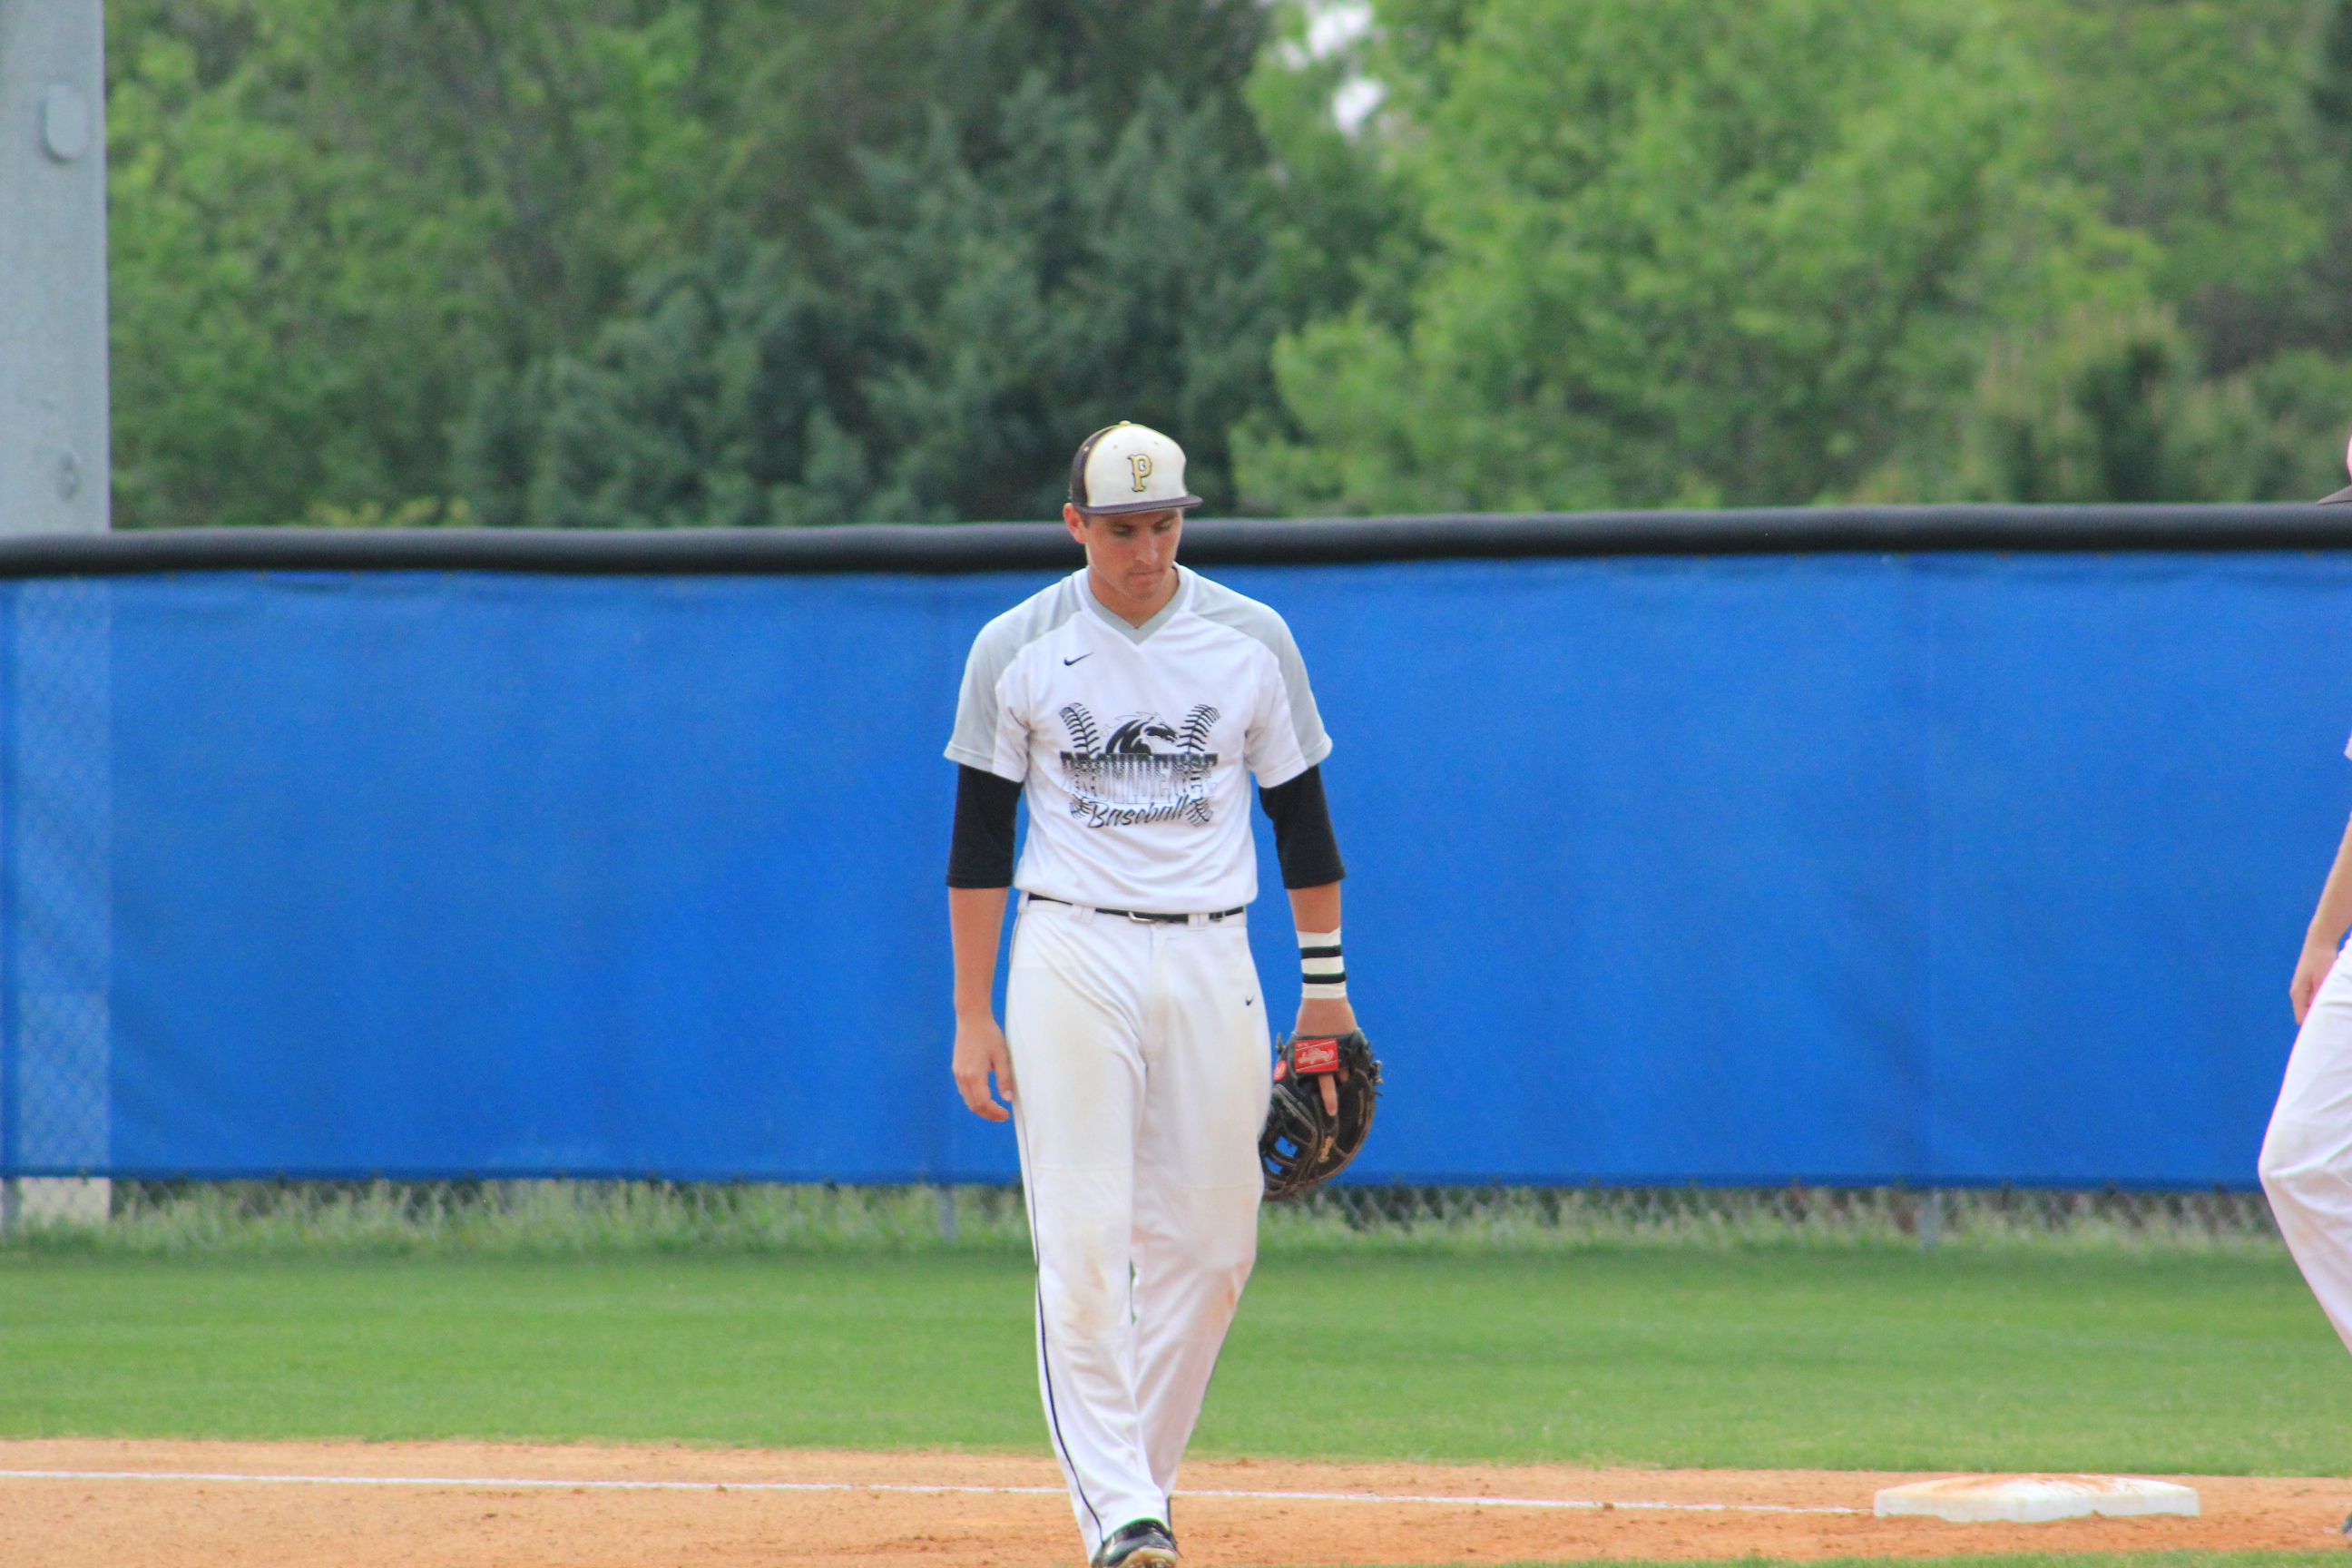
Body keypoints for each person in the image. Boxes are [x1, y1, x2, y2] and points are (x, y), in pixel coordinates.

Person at [943, 422, 1356, 1568]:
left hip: (1215, 954)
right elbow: (977, 848)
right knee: (1083, 1246)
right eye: (1122, 528)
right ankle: (1125, 1515)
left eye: (1165, 525)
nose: (1146, 550)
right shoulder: (1016, 647)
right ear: (1075, 525)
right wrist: (973, 1012)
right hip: (1071, 953)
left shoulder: (1250, 639)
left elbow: (1305, 827)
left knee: (1216, 1250)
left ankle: (1137, 1491)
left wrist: (1327, 990)